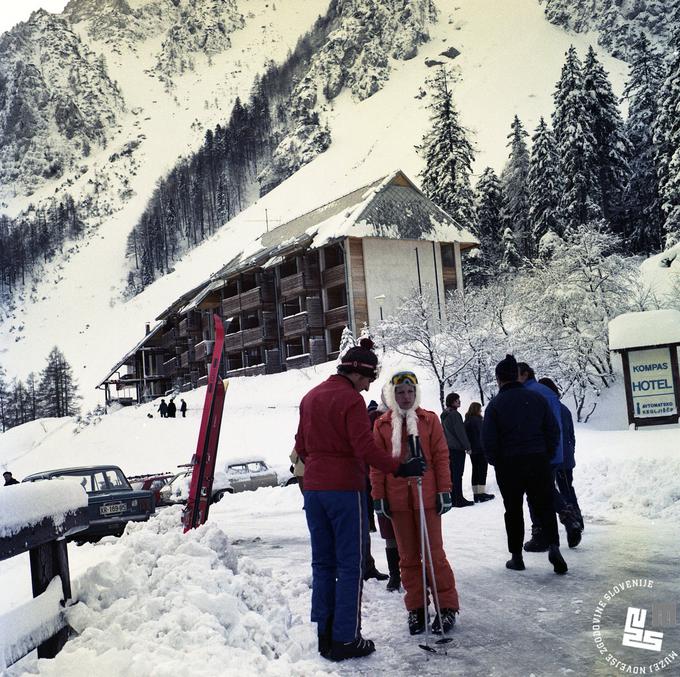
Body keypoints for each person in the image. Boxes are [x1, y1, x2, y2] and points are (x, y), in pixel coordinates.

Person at [294, 339, 426, 662]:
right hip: (343, 489)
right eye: (368, 379)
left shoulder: (310, 397)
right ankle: (346, 638)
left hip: (313, 489)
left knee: (323, 562)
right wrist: (400, 466)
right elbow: (365, 449)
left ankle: (325, 633)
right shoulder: (351, 401)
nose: (368, 387)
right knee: (350, 563)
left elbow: (301, 445)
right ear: (356, 373)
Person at [372, 371, 460, 636]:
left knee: (434, 554)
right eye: (400, 392)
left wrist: (445, 490)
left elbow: (442, 456)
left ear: (416, 393)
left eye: (410, 391)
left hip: (427, 496)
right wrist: (379, 496)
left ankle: (446, 607)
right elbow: (376, 465)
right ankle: (417, 608)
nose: (406, 397)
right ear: (392, 395)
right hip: (398, 499)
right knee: (407, 557)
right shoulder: (382, 425)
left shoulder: (429, 420)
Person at [482, 354, 568, 575]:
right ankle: (554, 547)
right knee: (545, 504)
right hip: (538, 459)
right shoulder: (536, 399)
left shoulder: (495, 405)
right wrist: (545, 454)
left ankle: (516, 556)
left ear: (499, 379)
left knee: (513, 509)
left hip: (509, 464)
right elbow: (552, 430)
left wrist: (497, 461)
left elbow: (488, 440)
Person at [539, 377, 583, 546]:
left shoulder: (554, 409)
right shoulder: (563, 408)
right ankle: (577, 519)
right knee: (566, 488)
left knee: (562, 490)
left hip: (558, 457)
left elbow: (562, 435)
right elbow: (571, 435)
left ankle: (574, 523)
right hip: (565, 456)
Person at [368, 398, 401, 592]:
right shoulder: (377, 423)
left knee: (411, 535)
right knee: (390, 534)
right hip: (385, 485)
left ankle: (410, 573)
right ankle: (395, 575)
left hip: (407, 485)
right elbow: (374, 461)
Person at [441, 393, 474, 507]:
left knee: (452, 475)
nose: (459, 402)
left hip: (448, 448)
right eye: (457, 400)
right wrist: (468, 447)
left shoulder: (444, 414)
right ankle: (459, 499)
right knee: (458, 474)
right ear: (452, 402)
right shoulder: (455, 415)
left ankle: (453, 498)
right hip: (457, 448)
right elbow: (460, 432)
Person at [463, 402, 495, 502]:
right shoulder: (478, 420)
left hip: (472, 450)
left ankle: (476, 494)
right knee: (482, 471)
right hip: (480, 449)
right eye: (480, 409)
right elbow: (483, 434)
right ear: (477, 409)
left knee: (475, 471)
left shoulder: (467, 421)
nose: (481, 411)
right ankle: (481, 494)